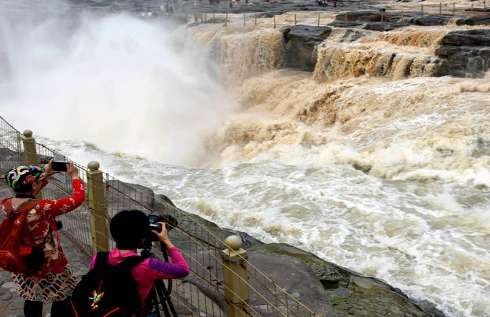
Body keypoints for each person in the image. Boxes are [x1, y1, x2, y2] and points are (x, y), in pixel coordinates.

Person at [1, 162, 85, 317]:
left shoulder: (7, 204)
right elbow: (78, 198)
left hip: (23, 258)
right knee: (60, 297)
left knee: (32, 297)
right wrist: (74, 176)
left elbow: (29, 193)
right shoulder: (42, 208)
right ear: (33, 185)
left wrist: (44, 174)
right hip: (48, 263)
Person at [89, 209, 189, 316]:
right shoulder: (148, 265)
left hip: (100, 310)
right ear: (142, 239)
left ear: (114, 235)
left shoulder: (98, 259)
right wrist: (166, 240)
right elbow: (183, 270)